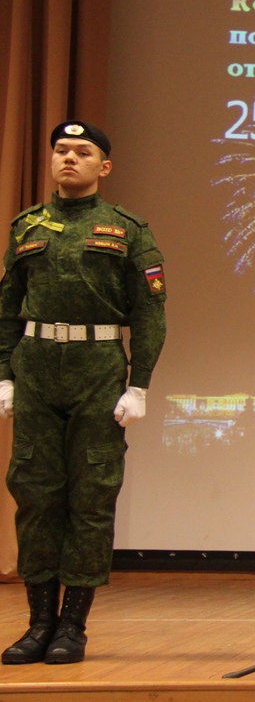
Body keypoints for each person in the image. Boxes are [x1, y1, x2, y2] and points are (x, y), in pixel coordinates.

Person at [0, 120, 167, 664]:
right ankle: (38, 624)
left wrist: (138, 384)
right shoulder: (26, 226)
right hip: (36, 366)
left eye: (82, 151)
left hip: (97, 366)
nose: (69, 158)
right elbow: (7, 307)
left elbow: (150, 313)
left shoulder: (127, 229)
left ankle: (72, 625)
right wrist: (4, 374)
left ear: (105, 166)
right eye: (61, 150)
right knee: (35, 494)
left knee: (91, 496)